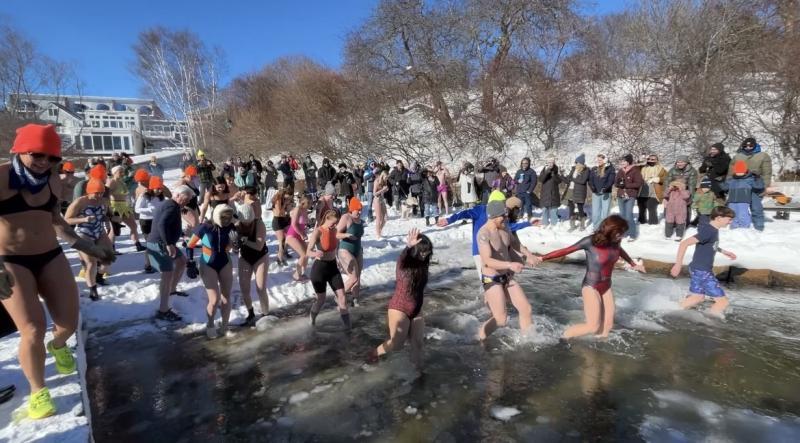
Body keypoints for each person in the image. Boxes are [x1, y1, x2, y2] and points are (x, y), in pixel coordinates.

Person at [1, 124, 114, 419]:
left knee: (67, 322)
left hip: (50, 255)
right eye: (37, 154)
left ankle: (59, 345)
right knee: (32, 329)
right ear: (19, 150)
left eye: (51, 157)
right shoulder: (1, 177)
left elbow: (56, 221)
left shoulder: (51, 180)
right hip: (10, 260)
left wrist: (89, 247)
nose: (44, 162)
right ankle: (38, 392)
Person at [540, 215, 645, 339]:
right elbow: (566, 250)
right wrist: (542, 258)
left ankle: (598, 348)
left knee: (608, 326)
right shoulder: (590, 241)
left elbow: (620, 251)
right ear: (611, 230)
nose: (622, 236)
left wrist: (633, 264)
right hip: (591, 286)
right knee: (593, 326)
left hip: (606, 287)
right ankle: (562, 338)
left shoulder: (615, 242)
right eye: (620, 233)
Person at [476, 199, 542, 341]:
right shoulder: (483, 233)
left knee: (526, 309)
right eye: (503, 216)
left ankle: (527, 341)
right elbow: (487, 260)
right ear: (494, 217)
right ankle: (480, 339)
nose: (506, 218)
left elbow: (515, 243)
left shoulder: (505, 227)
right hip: (492, 278)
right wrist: (510, 265)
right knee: (501, 319)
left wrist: (529, 255)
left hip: (506, 276)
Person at [438, 191, 535, 279]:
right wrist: (449, 220)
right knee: (487, 280)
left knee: (502, 278)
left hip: (495, 250)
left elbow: (509, 228)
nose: (503, 208)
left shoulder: (502, 216)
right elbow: (464, 213)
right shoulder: (480, 210)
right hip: (479, 251)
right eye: (501, 203)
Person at [371, 228, 432, 367]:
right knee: (396, 344)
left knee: (418, 344)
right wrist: (408, 247)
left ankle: (418, 372)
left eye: (427, 252)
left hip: (417, 309)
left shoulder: (424, 264)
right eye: (422, 251)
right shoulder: (404, 264)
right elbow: (403, 257)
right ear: (415, 251)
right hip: (400, 308)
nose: (425, 255)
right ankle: (373, 354)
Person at [671, 206, 737, 316]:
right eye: (729, 219)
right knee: (722, 302)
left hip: (698, 269)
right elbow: (684, 243)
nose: (731, 222)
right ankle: (710, 322)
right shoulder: (709, 231)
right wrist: (678, 265)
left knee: (697, 297)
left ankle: (670, 310)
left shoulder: (712, 229)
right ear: (719, 218)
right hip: (702, 271)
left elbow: (709, 244)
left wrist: (724, 251)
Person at [187, 204, 236, 338]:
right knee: (214, 300)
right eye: (224, 217)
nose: (227, 220)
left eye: (229, 217)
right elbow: (190, 245)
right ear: (217, 216)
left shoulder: (231, 227)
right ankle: (210, 324)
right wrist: (190, 263)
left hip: (225, 262)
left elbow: (231, 247)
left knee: (226, 297)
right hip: (208, 263)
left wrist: (236, 244)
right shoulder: (205, 227)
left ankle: (225, 325)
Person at [147, 185, 195, 321]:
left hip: (166, 242)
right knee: (167, 274)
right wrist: (168, 244)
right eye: (187, 198)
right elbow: (161, 225)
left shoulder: (173, 205)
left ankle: (172, 290)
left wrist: (180, 233)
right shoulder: (171, 206)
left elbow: (168, 225)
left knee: (181, 262)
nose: (188, 201)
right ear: (178, 195)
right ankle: (163, 310)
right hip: (160, 243)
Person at [64, 178, 113, 300]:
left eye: (101, 193)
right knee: (91, 262)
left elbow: (104, 215)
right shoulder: (80, 202)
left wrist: (107, 221)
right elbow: (66, 220)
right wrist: (83, 219)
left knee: (108, 258)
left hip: (99, 231)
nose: (99, 195)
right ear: (89, 191)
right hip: (83, 233)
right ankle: (93, 289)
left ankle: (99, 277)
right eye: (96, 193)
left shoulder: (104, 201)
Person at [306, 210, 350, 329]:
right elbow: (308, 251)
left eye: (336, 223)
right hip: (319, 269)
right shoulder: (318, 231)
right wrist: (315, 253)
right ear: (327, 218)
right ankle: (312, 320)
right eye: (333, 223)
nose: (335, 225)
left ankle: (348, 328)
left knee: (342, 297)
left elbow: (335, 247)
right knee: (321, 299)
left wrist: (339, 260)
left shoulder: (334, 230)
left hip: (333, 267)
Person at [233, 203, 269, 327]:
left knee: (261, 288)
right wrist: (235, 244)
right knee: (244, 288)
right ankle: (250, 313)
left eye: (249, 221)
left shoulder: (259, 223)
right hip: (245, 257)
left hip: (260, 256)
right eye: (245, 222)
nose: (247, 224)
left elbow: (259, 246)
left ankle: (265, 314)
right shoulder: (237, 226)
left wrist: (245, 241)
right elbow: (235, 250)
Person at [727, 137, 772, 231]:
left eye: (750, 145)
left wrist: (765, 186)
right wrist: (729, 183)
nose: (748, 147)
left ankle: (759, 228)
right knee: (737, 207)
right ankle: (736, 227)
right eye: (746, 146)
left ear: (754, 145)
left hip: (755, 184)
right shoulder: (738, 156)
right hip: (740, 185)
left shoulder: (763, 156)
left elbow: (767, 173)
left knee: (756, 207)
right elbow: (731, 171)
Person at [107, 165, 144, 251]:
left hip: (124, 206)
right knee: (114, 229)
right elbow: (105, 195)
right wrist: (109, 208)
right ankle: (110, 248)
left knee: (134, 226)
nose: (122, 173)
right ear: (114, 172)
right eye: (120, 172)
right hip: (115, 206)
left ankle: (137, 244)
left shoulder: (122, 182)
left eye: (123, 171)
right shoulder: (111, 182)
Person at [135, 176, 168, 273]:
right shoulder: (144, 196)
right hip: (146, 221)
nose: (159, 191)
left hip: (157, 221)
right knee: (150, 243)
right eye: (157, 188)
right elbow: (137, 209)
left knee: (159, 242)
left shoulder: (161, 196)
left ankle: (157, 263)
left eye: (161, 188)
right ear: (152, 187)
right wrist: (149, 210)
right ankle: (148, 265)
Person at [337, 198, 365, 306]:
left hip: (357, 250)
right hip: (345, 250)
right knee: (353, 278)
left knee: (358, 276)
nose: (360, 212)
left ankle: (355, 299)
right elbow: (336, 234)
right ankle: (339, 296)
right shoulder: (346, 218)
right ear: (352, 209)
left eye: (361, 210)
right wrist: (346, 235)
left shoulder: (360, 220)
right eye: (358, 210)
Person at [721, 160, 765, 229]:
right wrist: (721, 181)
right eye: (737, 172)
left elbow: (759, 186)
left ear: (745, 171)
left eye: (741, 172)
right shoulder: (732, 180)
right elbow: (724, 187)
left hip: (743, 200)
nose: (739, 173)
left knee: (743, 214)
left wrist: (758, 178)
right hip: (732, 200)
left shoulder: (749, 179)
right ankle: (734, 227)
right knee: (732, 214)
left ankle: (744, 227)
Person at [615, 154, 643, 241]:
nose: (622, 162)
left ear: (628, 162)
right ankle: (624, 232)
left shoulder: (635, 170)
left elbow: (639, 183)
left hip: (630, 195)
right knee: (622, 216)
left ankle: (632, 234)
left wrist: (626, 184)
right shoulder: (620, 171)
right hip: (621, 195)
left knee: (628, 215)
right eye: (621, 161)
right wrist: (619, 184)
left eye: (624, 161)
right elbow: (616, 182)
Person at [666, 155, 698, 226]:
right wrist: (667, 194)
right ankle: (673, 223)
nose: (680, 164)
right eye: (678, 162)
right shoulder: (672, 170)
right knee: (672, 208)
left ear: (686, 162)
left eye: (682, 162)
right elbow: (667, 181)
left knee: (686, 208)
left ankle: (685, 223)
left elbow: (692, 185)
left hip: (685, 191)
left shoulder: (692, 171)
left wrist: (690, 198)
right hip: (674, 192)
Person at [286, 195, 313, 281]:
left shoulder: (305, 210)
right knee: (303, 255)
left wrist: (304, 233)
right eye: (310, 203)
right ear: (304, 203)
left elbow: (302, 224)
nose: (311, 205)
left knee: (307, 253)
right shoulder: (298, 209)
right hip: (292, 235)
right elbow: (294, 224)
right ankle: (296, 274)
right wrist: (301, 234)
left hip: (300, 234)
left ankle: (302, 273)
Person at [637, 154, 667, 225]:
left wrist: (658, 179)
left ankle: (653, 223)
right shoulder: (642, 167)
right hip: (642, 191)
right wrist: (640, 161)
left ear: (657, 160)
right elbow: (635, 170)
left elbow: (667, 178)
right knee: (641, 208)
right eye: (649, 159)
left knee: (652, 208)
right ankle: (641, 222)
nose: (651, 160)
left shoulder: (661, 169)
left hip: (654, 192)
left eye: (653, 159)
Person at [588, 154, 616, 230]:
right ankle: (596, 228)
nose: (599, 161)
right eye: (598, 160)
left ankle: (604, 228)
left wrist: (606, 188)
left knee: (605, 212)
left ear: (604, 160)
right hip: (596, 193)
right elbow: (590, 180)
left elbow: (611, 180)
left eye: (600, 160)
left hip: (606, 193)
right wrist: (592, 187)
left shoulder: (610, 169)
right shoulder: (594, 169)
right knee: (595, 212)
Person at [563, 154, 589, 231]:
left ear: (581, 163)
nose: (576, 164)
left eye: (577, 162)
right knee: (571, 207)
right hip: (571, 190)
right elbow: (568, 179)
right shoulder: (573, 169)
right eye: (575, 162)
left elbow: (582, 181)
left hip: (580, 192)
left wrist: (573, 179)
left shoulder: (586, 170)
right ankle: (572, 225)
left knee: (580, 208)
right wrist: (562, 176)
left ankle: (582, 225)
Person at [271, 187, 293, 265]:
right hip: (278, 221)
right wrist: (285, 204)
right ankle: (279, 258)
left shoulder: (284, 199)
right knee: (282, 241)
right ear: (285, 193)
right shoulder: (278, 199)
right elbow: (279, 212)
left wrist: (289, 205)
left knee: (288, 237)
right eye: (288, 196)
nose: (289, 198)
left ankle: (285, 252)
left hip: (284, 219)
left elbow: (288, 211)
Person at [538, 157, 561, 228]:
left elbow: (559, 181)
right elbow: (541, 179)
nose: (550, 164)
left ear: (554, 163)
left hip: (554, 192)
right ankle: (545, 223)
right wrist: (547, 171)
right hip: (545, 192)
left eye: (552, 162)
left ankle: (554, 224)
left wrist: (554, 175)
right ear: (547, 162)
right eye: (549, 162)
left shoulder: (556, 169)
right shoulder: (544, 169)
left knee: (553, 209)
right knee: (544, 208)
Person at [373, 170, 389, 238]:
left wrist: (385, 190)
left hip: (382, 199)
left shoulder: (385, 181)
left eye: (387, 177)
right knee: (379, 218)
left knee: (385, 217)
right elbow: (374, 193)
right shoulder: (376, 181)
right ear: (382, 176)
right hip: (377, 200)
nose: (387, 179)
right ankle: (378, 234)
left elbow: (383, 191)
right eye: (386, 177)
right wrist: (383, 190)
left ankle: (379, 230)